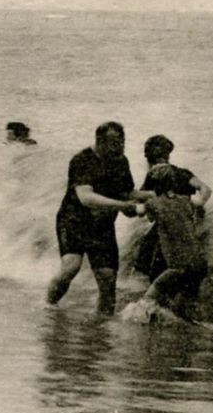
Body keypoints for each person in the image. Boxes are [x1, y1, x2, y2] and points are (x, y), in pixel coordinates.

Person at [46, 121, 144, 315]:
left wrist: (154, 198)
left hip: (103, 225)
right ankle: (49, 306)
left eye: (123, 142)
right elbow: (86, 198)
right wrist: (123, 206)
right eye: (115, 143)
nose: (121, 147)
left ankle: (100, 328)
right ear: (100, 141)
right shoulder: (81, 160)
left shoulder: (121, 161)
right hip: (73, 221)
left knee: (108, 281)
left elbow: (126, 192)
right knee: (70, 268)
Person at [138, 135, 211, 319]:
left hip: (166, 237)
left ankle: (158, 322)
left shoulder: (153, 177)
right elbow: (206, 190)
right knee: (186, 290)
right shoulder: (183, 173)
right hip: (190, 232)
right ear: (168, 153)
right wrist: (197, 203)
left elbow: (142, 206)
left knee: (159, 284)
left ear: (147, 157)